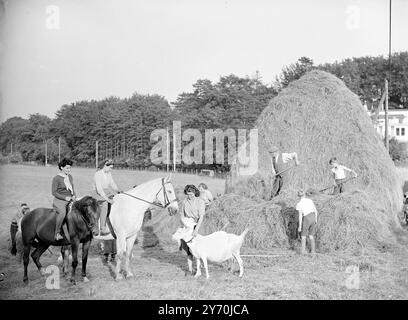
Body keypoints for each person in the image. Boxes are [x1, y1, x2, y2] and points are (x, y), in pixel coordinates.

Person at [94, 159, 121, 235]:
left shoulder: (108, 173)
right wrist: (107, 199)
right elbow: (99, 189)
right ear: (105, 165)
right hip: (98, 193)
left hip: (106, 192)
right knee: (105, 205)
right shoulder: (98, 174)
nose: (111, 169)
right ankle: (102, 228)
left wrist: (118, 190)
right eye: (110, 168)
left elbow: (112, 183)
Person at [52, 158, 76, 241]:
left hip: (70, 199)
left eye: (70, 168)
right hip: (60, 200)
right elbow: (54, 192)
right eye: (67, 168)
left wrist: (74, 196)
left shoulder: (70, 177)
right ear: (61, 167)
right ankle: (57, 233)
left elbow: (72, 189)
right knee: (62, 213)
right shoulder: (56, 178)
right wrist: (65, 198)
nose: (69, 170)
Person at [296, 189, 318, 255]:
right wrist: (316, 219)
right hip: (313, 216)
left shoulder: (299, 204)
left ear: (298, 196)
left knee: (303, 236)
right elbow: (315, 210)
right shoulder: (310, 200)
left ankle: (303, 252)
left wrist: (300, 226)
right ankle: (313, 252)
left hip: (307, 218)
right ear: (305, 194)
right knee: (311, 235)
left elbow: (300, 216)